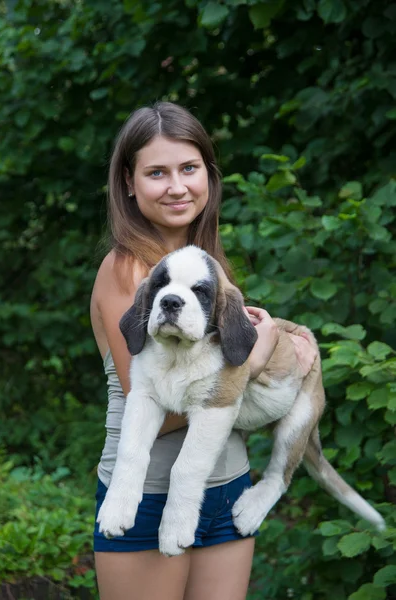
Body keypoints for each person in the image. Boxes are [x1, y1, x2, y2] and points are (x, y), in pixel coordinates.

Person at [90, 101, 316, 600]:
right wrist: (255, 360)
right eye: (156, 172)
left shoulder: (207, 264)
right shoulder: (128, 270)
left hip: (226, 486)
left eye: (188, 168)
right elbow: (154, 402)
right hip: (146, 495)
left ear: (208, 177)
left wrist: (288, 349)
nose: (176, 186)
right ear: (129, 182)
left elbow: (224, 361)